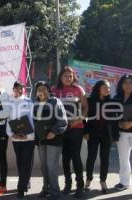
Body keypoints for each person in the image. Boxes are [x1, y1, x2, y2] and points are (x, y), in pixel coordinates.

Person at [51, 66, 88, 198]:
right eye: (66, 76)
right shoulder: (54, 90)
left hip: (76, 128)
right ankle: (68, 184)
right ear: (60, 77)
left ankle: (80, 186)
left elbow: (86, 108)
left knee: (76, 157)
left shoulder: (78, 89)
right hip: (61, 129)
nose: (68, 78)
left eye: (70, 76)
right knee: (65, 159)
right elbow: (50, 109)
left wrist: (78, 120)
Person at [33, 81, 68, 200]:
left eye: (44, 88)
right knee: (44, 166)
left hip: (54, 138)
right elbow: (35, 122)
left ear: (48, 90)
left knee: (51, 167)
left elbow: (62, 120)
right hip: (41, 140)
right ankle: (46, 189)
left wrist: (53, 132)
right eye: (39, 89)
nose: (41, 91)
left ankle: (55, 193)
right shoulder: (36, 104)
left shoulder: (55, 102)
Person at [84, 80, 118, 193]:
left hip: (106, 134)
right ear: (98, 88)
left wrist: (115, 135)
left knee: (105, 158)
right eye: (105, 87)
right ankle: (88, 180)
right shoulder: (90, 100)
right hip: (93, 132)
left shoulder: (112, 102)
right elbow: (84, 117)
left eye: (109, 88)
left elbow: (115, 121)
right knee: (91, 157)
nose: (107, 90)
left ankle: (103, 181)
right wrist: (85, 132)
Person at [6, 81, 35, 200]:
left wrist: (29, 136)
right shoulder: (10, 103)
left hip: (28, 139)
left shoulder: (29, 102)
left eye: (21, 88)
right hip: (16, 139)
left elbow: (33, 121)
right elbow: (8, 121)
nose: (19, 90)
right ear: (13, 89)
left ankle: (21, 189)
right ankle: (26, 182)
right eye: (16, 88)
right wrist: (12, 134)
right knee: (20, 163)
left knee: (26, 163)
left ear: (24, 89)